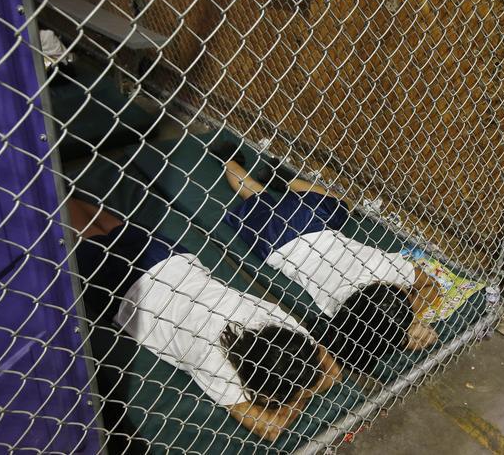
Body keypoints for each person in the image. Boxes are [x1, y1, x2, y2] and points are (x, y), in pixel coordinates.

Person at [67, 198, 341, 441]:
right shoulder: (218, 365)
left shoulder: (278, 325)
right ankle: (60, 194)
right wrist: (300, 396)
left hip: (171, 260)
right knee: (86, 229)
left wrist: (301, 390)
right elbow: (269, 428)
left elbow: (329, 372)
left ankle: (63, 193)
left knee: (104, 225)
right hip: (127, 290)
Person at [212, 143, 441, 375]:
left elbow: (427, 286)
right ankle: (232, 161)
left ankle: (258, 169)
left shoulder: (382, 267)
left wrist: (404, 323)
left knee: (340, 202)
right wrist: (402, 333)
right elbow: (430, 287)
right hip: (278, 246)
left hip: (309, 224)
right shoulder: (338, 310)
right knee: (253, 192)